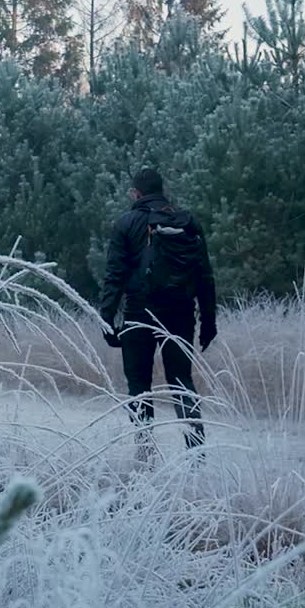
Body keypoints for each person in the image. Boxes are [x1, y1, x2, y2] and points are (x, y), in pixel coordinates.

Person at [99, 166, 217, 456]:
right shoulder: (188, 222)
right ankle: (196, 455)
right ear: (162, 190)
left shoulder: (126, 223)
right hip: (181, 312)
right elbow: (205, 275)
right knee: (181, 382)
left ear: (135, 193)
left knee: (139, 383)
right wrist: (208, 321)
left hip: (139, 313)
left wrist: (106, 317)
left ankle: (145, 454)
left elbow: (115, 275)